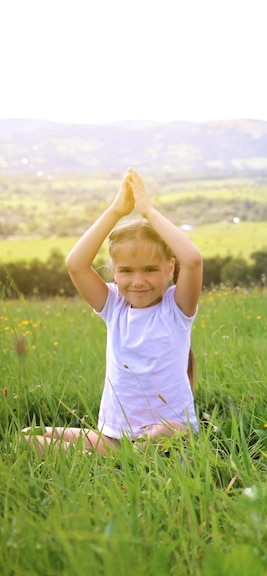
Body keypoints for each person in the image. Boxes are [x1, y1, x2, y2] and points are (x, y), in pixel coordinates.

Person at [24, 168, 203, 454]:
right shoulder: (114, 306)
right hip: (116, 435)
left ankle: (112, 459)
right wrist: (115, 211)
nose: (138, 280)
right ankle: (118, 457)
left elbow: (193, 260)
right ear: (114, 272)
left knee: (168, 430)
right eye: (126, 271)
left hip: (170, 431)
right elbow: (76, 264)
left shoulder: (176, 308)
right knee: (28, 436)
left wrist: (148, 211)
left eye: (150, 269)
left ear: (170, 268)